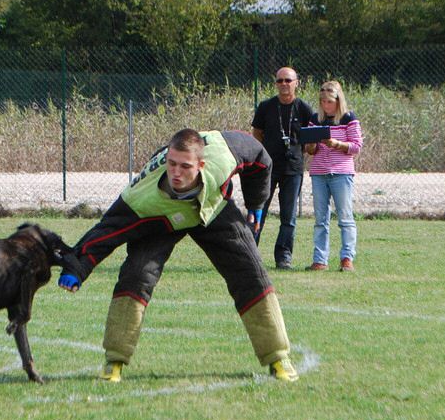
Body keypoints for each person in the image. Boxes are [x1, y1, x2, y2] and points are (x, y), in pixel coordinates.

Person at [57, 128, 299, 383]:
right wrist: (76, 268)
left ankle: (278, 357)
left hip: (212, 208)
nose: (176, 172)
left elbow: (262, 160)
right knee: (137, 273)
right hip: (162, 217)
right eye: (171, 164)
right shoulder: (142, 197)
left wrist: (256, 203)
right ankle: (114, 360)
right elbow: (106, 231)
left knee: (251, 272)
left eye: (185, 166)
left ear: (201, 165)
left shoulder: (224, 155)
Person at [250, 66, 318, 269]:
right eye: (279, 81)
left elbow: (311, 138)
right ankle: (250, 254)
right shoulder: (266, 107)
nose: (284, 85)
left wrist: (306, 149)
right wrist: (263, 154)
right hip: (267, 168)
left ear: (297, 82)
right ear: (275, 84)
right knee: (258, 211)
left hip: (293, 169)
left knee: (288, 217)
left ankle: (283, 257)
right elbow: (257, 132)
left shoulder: (304, 108)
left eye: (288, 80)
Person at [304, 80, 363, 271]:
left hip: (341, 172)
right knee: (321, 219)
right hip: (319, 173)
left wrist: (337, 144)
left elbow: (356, 146)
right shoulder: (315, 120)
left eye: (329, 102)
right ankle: (320, 260)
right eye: (322, 102)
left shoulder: (349, 118)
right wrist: (312, 144)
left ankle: (347, 258)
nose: (325, 106)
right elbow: (310, 149)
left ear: (338, 101)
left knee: (345, 217)